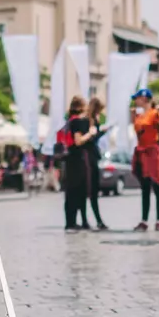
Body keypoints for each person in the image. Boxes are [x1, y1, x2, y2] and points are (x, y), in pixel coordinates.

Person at [130, 89, 159, 231]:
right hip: (142, 152)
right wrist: (133, 117)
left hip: (153, 152)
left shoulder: (155, 113)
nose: (135, 100)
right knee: (145, 187)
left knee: (157, 186)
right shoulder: (139, 115)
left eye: (138, 98)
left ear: (145, 99)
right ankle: (144, 220)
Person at [60, 96, 94, 231]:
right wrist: (90, 134)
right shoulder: (78, 122)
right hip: (78, 159)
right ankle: (75, 222)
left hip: (69, 159)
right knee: (79, 190)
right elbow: (78, 141)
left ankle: (70, 221)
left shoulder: (69, 121)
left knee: (70, 191)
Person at [84, 97, 109, 230]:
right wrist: (100, 132)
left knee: (93, 190)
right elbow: (90, 139)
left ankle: (96, 219)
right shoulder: (88, 121)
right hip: (89, 158)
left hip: (92, 156)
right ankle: (92, 219)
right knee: (91, 190)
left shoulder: (93, 120)